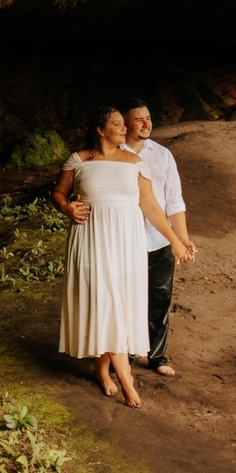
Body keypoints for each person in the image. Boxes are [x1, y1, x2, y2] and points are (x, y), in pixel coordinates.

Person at [52, 105, 194, 408]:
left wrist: (175, 241)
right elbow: (59, 193)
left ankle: (103, 369)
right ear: (100, 130)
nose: (124, 129)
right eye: (117, 124)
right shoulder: (78, 160)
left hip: (126, 244)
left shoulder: (135, 162)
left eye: (122, 124)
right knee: (107, 303)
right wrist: (66, 208)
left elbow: (152, 207)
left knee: (118, 305)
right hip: (91, 241)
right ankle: (125, 376)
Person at [120, 98, 195, 378]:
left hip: (160, 240)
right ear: (125, 124)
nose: (146, 123)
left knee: (160, 298)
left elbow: (174, 201)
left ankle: (157, 356)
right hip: (128, 240)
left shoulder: (162, 155)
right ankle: (124, 353)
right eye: (139, 119)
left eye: (148, 118)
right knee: (128, 298)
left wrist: (182, 239)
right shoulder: (115, 155)